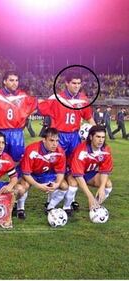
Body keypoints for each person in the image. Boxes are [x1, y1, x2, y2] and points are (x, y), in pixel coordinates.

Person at [38, 71, 96, 210]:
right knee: (55, 166)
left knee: (73, 167)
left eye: (78, 83)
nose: (77, 86)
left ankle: (72, 197)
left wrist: (96, 131)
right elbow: (39, 107)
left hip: (74, 136)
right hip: (58, 136)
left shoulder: (83, 99)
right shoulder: (55, 98)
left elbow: (89, 118)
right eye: (74, 83)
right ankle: (50, 198)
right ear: (67, 83)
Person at [0, 71, 37, 162]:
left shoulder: (23, 96)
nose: (15, 83)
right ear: (4, 81)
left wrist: (25, 115)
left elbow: (35, 107)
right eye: (11, 80)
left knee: (17, 160)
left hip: (16, 133)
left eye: (16, 80)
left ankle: (14, 176)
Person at [18, 128, 69, 219]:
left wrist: (56, 184)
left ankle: (50, 206)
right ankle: (20, 208)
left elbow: (60, 172)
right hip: (32, 174)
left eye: (57, 141)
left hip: (47, 174)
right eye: (51, 140)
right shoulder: (32, 150)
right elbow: (26, 173)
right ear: (44, 140)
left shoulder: (60, 151)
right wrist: (38, 186)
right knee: (24, 186)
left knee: (64, 186)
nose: (55, 144)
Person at [66, 126, 113, 210]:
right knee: (73, 184)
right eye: (98, 137)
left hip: (89, 172)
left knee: (107, 185)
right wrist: (89, 196)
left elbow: (104, 171)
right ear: (91, 137)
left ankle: (95, 206)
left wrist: (102, 187)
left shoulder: (106, 149)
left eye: (103, 137)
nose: (101, 140)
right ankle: (67, 207)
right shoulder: (82, 150)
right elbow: (78, 175)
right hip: (73, 172)